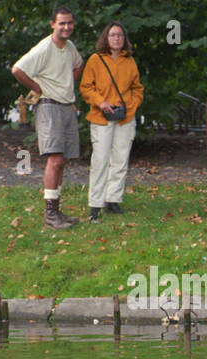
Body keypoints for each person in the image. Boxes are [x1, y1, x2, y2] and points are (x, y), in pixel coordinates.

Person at [11, 6, 85, 229]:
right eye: (62, 23)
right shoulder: (44, 48)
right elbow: (17, 69)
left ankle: (57, 211)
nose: (66, 27)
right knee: (54, 160)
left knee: (62, 161)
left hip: (66, 106)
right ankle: (50, 215)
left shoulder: (69, 47)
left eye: (69, 23)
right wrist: (38, 88)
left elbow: (79, 65)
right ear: (53, 24)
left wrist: (66, 87)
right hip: (49, 106)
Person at [79, 21, 143, 221]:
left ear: (125, 39)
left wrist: (131, 106)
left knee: (120, 159)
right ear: (106, 38)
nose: (117, 38)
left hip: (125, 117)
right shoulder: (96, 60)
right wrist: (101, 102)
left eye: (120, 35)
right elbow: (86, 87)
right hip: (101, 117)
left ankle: (113, 200)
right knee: (100, 160)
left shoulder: (129, 61)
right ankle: (95, 205)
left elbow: (137, 88)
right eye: (113, 35)